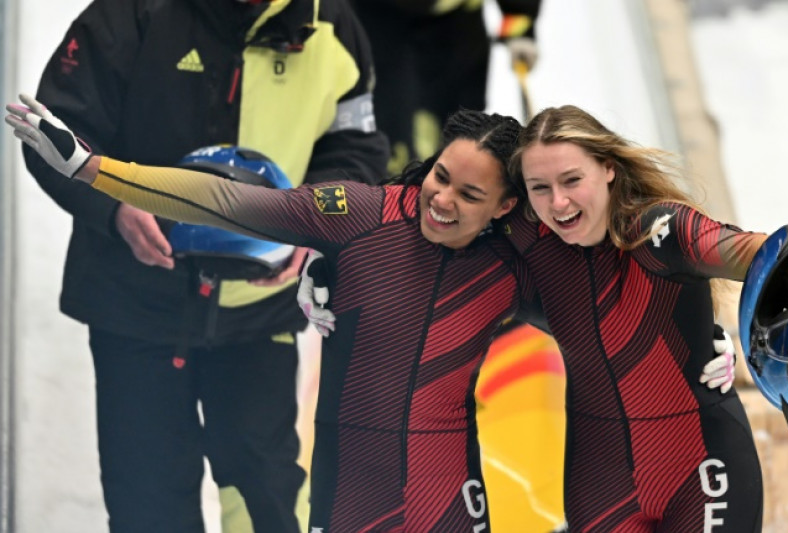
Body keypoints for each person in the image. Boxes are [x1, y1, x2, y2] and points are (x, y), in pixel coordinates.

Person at [7, 99, 737, 531]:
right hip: (349, 492)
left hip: (451, 497)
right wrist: (94, 170)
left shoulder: (517, 258)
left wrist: (712, 345)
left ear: (508, 208)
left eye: (468, 196)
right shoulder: (360, 216)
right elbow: (229, 200)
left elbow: (618, 300)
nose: (441, 200)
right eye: (440, 177)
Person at [18, 0, 389, 530]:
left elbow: (357, 146)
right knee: (147, 494)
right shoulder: (130, 13)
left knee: (266, 489)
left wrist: (316, 225)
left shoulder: (332, 24)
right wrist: (114, 208)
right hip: (135, 304)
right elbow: (51, 132)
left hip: (259, 311)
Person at [503, 104, 788, 531]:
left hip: (703, 467)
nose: (558, 202)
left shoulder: (659, 231)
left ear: (608, 169)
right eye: (540, 187)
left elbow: (751, 254)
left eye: (572, 180)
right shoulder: (532, 259)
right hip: (598, 480)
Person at [350, 0, 542, 173]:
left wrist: (520, 21)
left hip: (457, 28)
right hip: (380, 22)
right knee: (391, 135)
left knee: (461, 134)